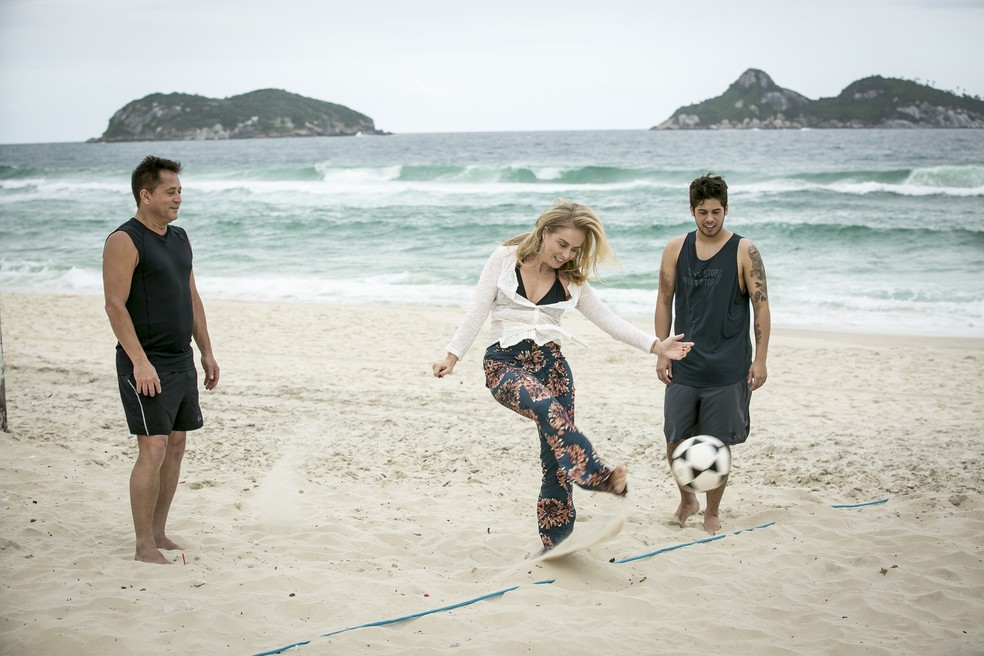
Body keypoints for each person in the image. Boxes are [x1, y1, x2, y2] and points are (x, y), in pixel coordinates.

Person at [432, 198, 693, 551]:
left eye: (574, 249)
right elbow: (478, 307)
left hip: (553, 369)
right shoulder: (504, 259)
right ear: (544, 232)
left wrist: (656, 346)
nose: (566, 254)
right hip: (505, 363)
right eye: (562, 244)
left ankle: (555, 542)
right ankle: (597, 475)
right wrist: (453, 354)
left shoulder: (571, 279)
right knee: (544, 408)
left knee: (554, 458)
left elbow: (608, 320)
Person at [102, 156, 220, 564]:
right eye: (170, 192)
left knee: (176, 444)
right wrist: (139, 361)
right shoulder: (125, 240)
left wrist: (205, 350)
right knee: (151, 448)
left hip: (180, 359)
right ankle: (142, 546)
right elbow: (115, 306)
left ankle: (159, 532)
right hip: (145, 363)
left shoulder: (180, 237)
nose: (178, 198)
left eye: (180, 191)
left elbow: (192, 296)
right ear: (145, 194)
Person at [655, 173, 771, 535]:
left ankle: (711, 511)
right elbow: (663, 300)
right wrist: (662, 351)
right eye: (703, 211)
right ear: (691, 210)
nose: (710, 219)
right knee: (675, 439)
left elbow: (761, 306)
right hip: (684, 365)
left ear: (726, 209)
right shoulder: (676, 248)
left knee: (717, 444)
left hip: (728, 367)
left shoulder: (743, 250)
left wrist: (761, 358)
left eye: (716, 211)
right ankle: (687, 498)